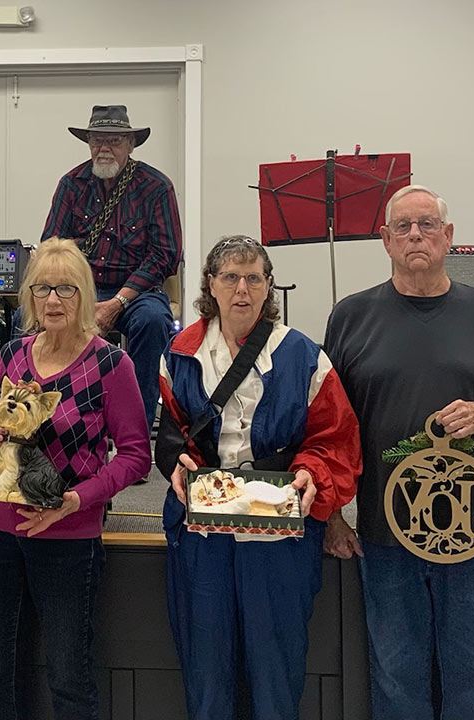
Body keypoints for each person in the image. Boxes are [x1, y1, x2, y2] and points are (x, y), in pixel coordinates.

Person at [323, 185, 474, 720]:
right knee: (396, 682)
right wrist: (331, 516)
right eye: (404, 227)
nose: (417, 235)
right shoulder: (350, 317)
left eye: (428, 225)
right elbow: (329, 430)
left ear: (449, 237)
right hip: (384, 536)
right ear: (385, 240)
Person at [155, 235, 361, 720]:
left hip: (278, 529)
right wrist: (176, 464)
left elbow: (335, 438)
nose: (242, 289)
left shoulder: (304, 355)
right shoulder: (180, 354)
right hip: (202, 528)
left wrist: (312, 473)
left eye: (253, 278)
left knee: (276, 666)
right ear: (210, 284)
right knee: (206, 665)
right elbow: (172, 432)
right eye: (230, 277)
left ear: (269, 286)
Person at [0, 238, 151, 720]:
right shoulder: (13, 354)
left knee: (69, 677)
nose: (53, 300)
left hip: (69, 535)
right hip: (0, 530)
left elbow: (136, 456)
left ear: (86, 297)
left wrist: (77, 500)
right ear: (29, 296)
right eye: (43, 288)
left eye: (67, 289)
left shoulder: (113, 365)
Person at [40, 104, 182, 431]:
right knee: (25, 320)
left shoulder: (156, 187)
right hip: (78, 288)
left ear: (130, 146)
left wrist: (118, 301)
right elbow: (51, 246)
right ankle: (50, 429)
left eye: (114, 140)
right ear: (88, 143)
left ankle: (137, 435)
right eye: (97, 140)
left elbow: (166, 254)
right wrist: (71, 290)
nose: (104, 149)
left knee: (152, 321)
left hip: (136, 290)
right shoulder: (70, 185)